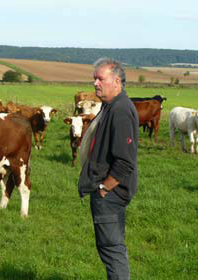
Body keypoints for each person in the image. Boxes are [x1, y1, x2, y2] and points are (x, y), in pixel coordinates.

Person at [78, 57, 139, 280]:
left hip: (110, 194)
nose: (95, 83)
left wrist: (104, 188)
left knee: (112, 251)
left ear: (116, 81)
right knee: (112, 248)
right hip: (108, 192)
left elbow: (125, 161)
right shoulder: (111, 106)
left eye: (100, 79)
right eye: (94, 79)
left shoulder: (120, 110)